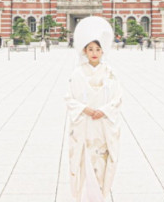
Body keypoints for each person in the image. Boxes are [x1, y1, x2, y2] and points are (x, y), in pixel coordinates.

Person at [65, 16, 122, 202]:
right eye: (90, 49)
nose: (94, 53)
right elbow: (70, 99)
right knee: (84, 162)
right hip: (86, 123)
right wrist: (86, 109)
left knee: (102, 162)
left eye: (98, 49)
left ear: (103, 51)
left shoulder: (109, 72)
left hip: (102, 125)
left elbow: (117, 98)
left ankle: (101, 195)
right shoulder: (78, 73)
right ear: (85, 51)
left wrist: (104, 111)